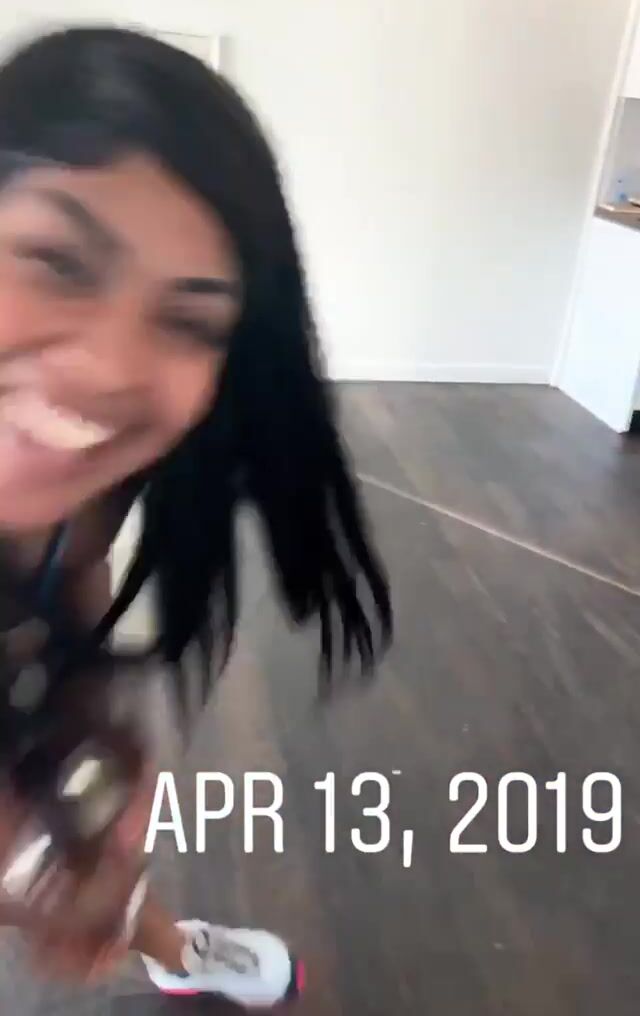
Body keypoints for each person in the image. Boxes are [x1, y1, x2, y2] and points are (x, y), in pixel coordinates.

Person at [0, 24, 392, 1010]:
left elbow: (74, 580)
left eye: (187, 319)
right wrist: (39, 866)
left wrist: (91, 742)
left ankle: (172, 947)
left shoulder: (72, 485)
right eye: (57, 261)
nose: (110, 368)